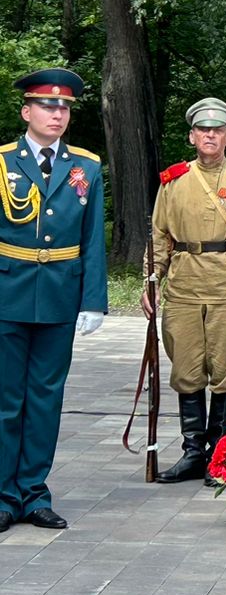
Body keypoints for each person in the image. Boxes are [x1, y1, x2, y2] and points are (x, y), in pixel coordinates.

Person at [141, 97, 226, 485]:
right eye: (203, 130)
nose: (209, 135)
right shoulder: (173, 181)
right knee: (186, 370)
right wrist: (151, 282)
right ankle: (193, 452)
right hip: (183, 288)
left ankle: (221, 454)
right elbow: (159, 236)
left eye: (217, 130)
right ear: (192, 136)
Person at [0, 69, 106, 532]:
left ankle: (34, 493)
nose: (57, 113)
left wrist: (93, 301)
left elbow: (92, 239)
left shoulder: (87, 166)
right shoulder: (2, 161)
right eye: (47, 106)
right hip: (7, 292)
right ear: (27, 111)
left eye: (63, 107)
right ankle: (4, 497)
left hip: (61, 295)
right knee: (6, 401)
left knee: (46, 399)